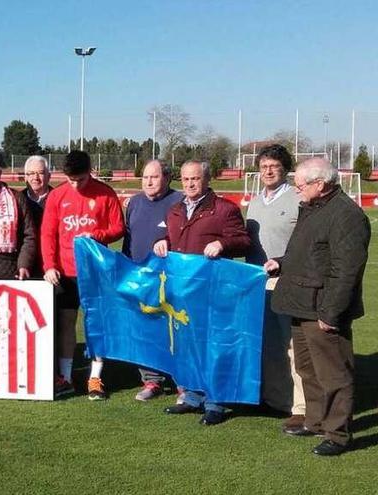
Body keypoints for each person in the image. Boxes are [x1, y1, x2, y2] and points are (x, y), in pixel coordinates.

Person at [266, 157, 370, 456]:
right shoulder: (314, 208)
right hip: (301, 303)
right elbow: (311, 254)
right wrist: (282, 264)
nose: (296, 189)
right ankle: (315, 421)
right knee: (308, 369)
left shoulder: (346, 215)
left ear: (320, 184)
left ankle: (338, 435)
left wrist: (331, 313)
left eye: (300, 184)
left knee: (334, 373)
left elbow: (346, 270)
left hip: (321, 308)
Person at [154, 160, 250, 425]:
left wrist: (222, 243)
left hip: (212, 292)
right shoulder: (174, 210)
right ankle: (192, 395)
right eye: (185, 180)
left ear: (206, 180)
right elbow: (171, 241)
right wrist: (160, 242)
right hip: (182, 292)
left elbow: (243, 241)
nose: (190, 184)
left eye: (195, 179)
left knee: (213, 346)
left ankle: (215, 401)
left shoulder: (224, 209)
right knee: (188, 346)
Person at [41, 150, 124, 399]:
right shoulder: (57, 196)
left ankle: (95, 378)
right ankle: (65, 377)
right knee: (66, 323)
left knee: (95, 324)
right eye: (70, 179)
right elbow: (48, 234)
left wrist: (97, 235)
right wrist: (49, 265)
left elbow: (118, 227)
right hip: (65, 273)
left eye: (80, 179)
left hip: (95, 272)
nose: (75, 184)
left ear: (91, 172)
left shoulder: (105, 193)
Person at [243, 145, 305, 432]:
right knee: (268, 343)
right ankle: (275, 398)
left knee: (293, 346)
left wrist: (283, 263)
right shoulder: (255, 203)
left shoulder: (298, 200)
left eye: (274, 166)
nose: (268, 171)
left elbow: (304, 245)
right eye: (264, 166)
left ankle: (301, 406)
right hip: (258, 282)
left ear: (285, 169)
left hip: (289, 281)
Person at [122, 159, 183, 401]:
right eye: (145, 177)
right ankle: (151, 380)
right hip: (140, 276)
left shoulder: (178, 201)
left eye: (154, 177)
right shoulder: (135, 202)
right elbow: (128, 237)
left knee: (174, 330)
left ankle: (182, 382)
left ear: (167, 178)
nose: (148, 181)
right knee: (145, 329)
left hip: (170, 278)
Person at [22, 155, 53, 278]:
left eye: (40, 173)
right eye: (31, 173)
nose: (35, 177)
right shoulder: (16, 201)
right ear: (25, 177)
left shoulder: (59, 200)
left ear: (49, 176)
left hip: (52, 267)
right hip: (25, 266)